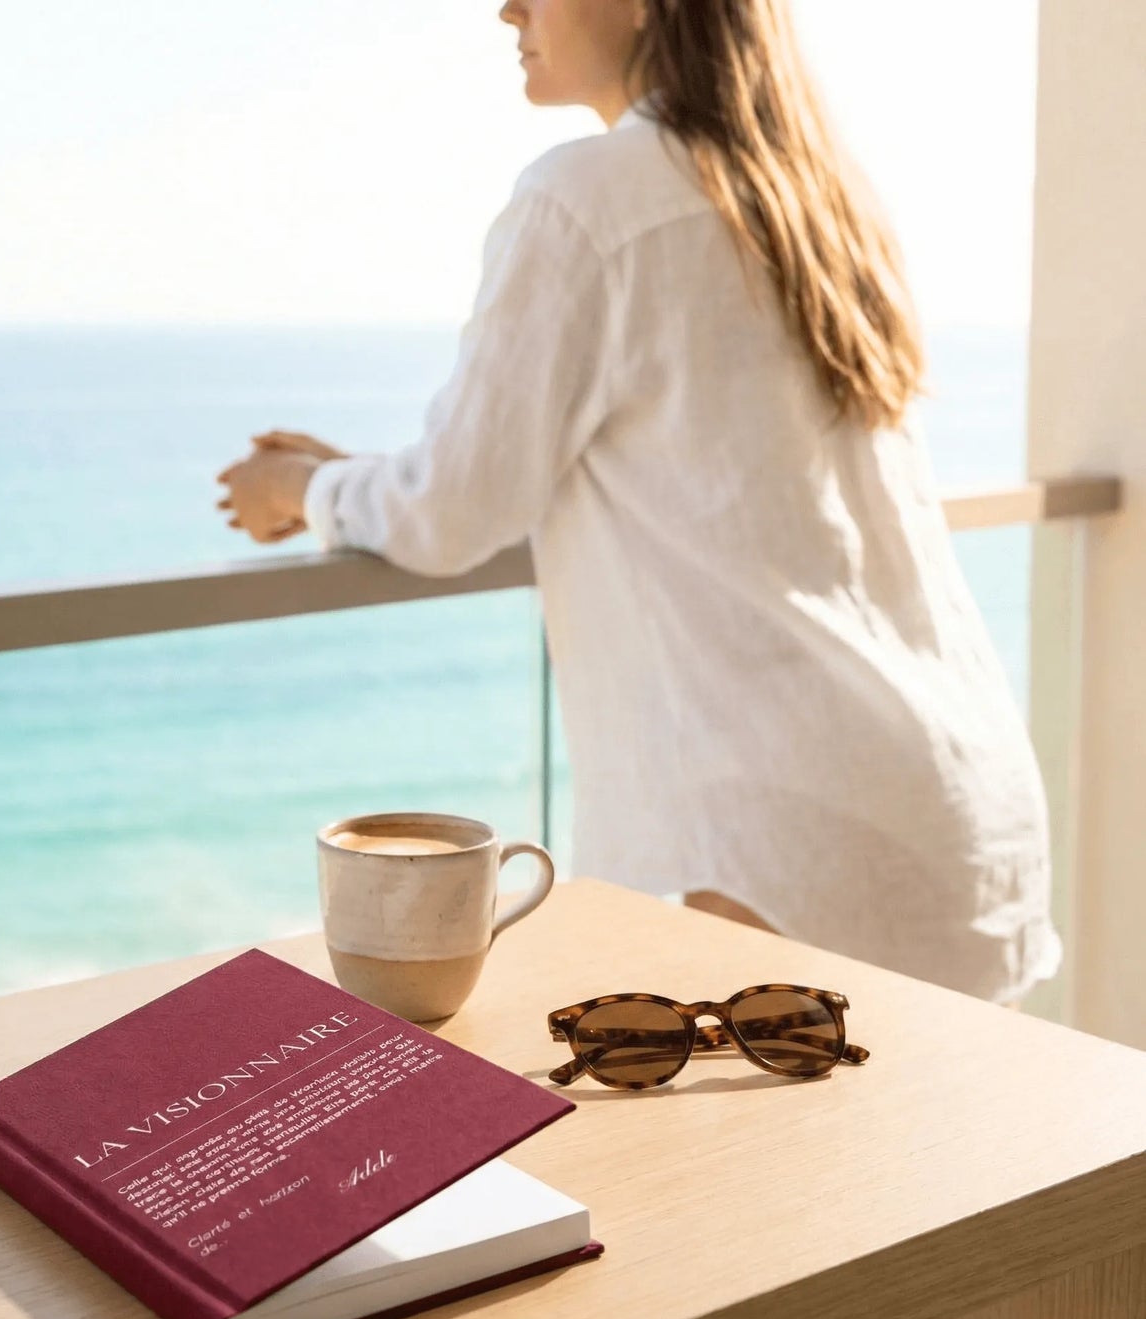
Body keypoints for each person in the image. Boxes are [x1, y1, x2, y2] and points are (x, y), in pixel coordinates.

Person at [215, 0, 1060, 1003]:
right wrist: (374, 469)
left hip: (772, 850)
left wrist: (303, 489)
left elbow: (454, 506)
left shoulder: (585, 196)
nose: (505, 9)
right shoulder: (815, 198)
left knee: (718, 1164)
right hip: (956, 811)